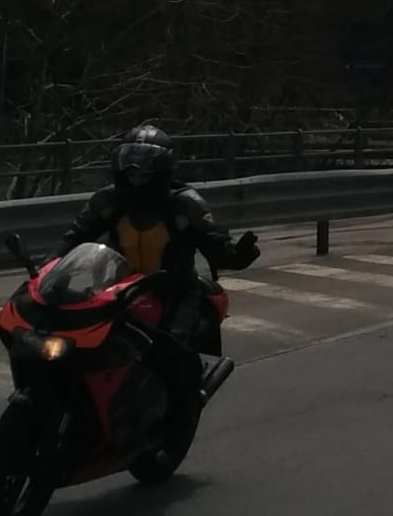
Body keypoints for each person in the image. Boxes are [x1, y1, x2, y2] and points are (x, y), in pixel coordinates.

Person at [62, 124, 260, 435]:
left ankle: (179, 418)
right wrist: (46, 270)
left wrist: (241, 253)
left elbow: (217, 247)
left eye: (146, 168)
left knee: (171, 353)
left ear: (162, 170)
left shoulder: (185, 204)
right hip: (117, 290)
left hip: (174, 294)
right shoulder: (109, 201)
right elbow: (75, 237)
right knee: (77, 340)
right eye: (130, 165)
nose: (136, 175)